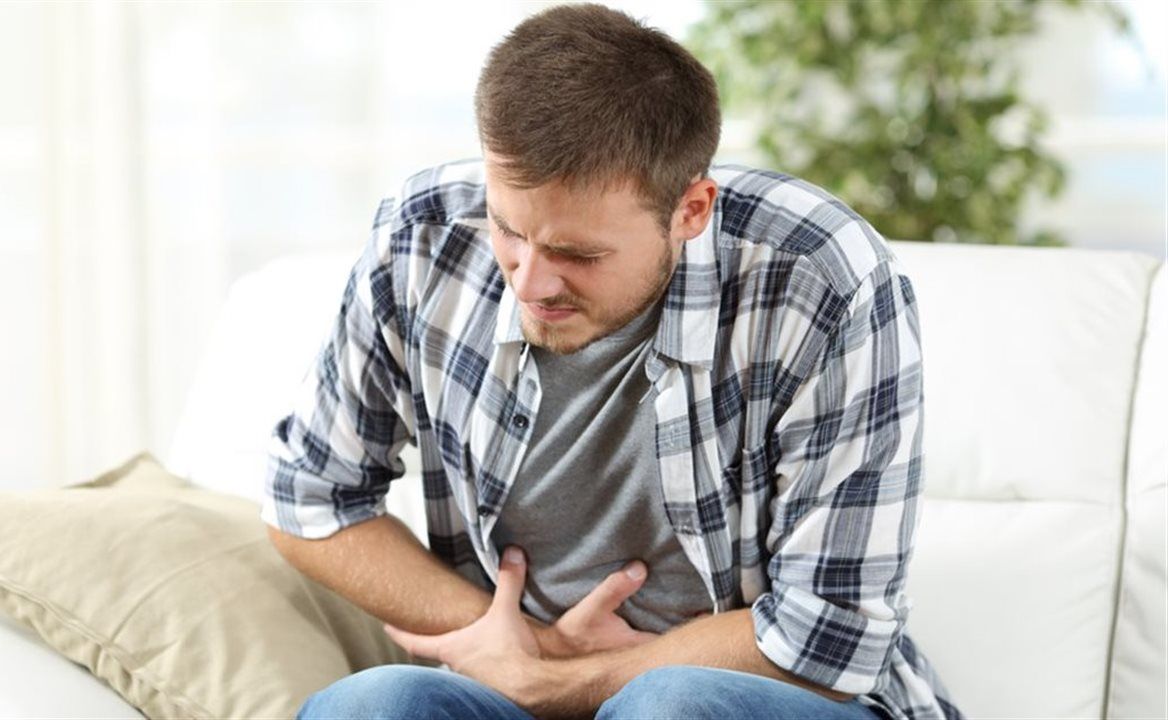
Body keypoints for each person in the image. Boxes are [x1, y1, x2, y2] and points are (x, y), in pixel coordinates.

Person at [262, 3, 962, 719]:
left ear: (691, 210)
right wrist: (517, 643)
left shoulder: (823, 279)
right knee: (375, 706)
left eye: (577, 254)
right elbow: (309, 499)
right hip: (514, 691)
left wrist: (572, 682)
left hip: (754, 700)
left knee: (668, 708)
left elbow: (829, 639)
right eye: (508, 230)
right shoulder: (424, 238)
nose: (529, 284)